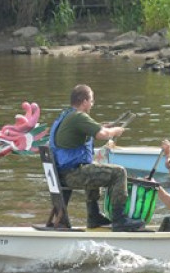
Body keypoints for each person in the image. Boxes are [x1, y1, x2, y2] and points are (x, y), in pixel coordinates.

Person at [48, 84, 143, 231]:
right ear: (84, 101)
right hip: (73, 175)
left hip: (62, 175)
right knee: (119, 172)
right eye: (91, 101)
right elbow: (101, 135)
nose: (92, 104)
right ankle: (120, 219)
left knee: (94, 167)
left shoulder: (67, 115)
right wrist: (114, 131)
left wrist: (105, 127)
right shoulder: (79, 116)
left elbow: (91, 128)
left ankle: (94, 217)